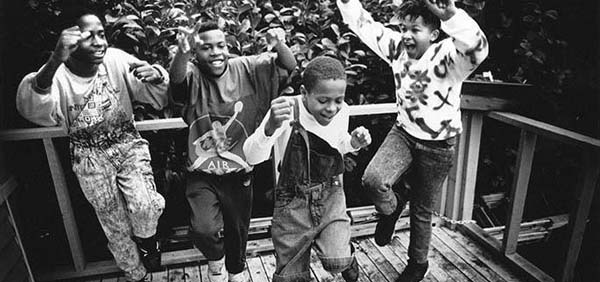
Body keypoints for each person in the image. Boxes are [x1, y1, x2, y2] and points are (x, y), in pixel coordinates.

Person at [337, 0, 489, 281]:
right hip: (404, 133)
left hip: (439, 145)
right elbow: (365, 26)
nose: (406, 34)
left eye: (414, 29)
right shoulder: (397, 48)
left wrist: (452, 16)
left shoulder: (449, 57)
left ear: (433, 33)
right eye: (403, 28)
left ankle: (417, 264)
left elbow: (478, 48)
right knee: (373, 179)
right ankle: (392, 209)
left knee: (422, 208)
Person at [16, 7, 169, 282]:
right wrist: (54, 59)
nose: (99, 42)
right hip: (89, 156)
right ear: (70, 40)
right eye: (90, 36)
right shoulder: (57, 74)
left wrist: (156, 73)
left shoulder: (116, 59)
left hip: (127, 143)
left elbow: (156, 91)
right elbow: (31, 107)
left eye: (102, 34)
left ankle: (148, 242)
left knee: (146, 206)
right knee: (116, 227)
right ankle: (137, 275)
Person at [169, 21, 296, 282]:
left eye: (221, 45)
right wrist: (181, 52)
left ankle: (236, 272)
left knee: (238, 231)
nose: (215, 52)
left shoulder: (247, 68)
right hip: (202, 173)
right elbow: (176, 80)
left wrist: (280, 43)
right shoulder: (193, 74)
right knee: (203, 229)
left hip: (239, 172)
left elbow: (288, 65)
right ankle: (216, 263)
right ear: (196, 52)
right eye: (206, 48)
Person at [243, 56, 372, 282]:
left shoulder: (343, 111)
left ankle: (347, 256)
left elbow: (338, 144)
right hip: (292, 202)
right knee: (291, 278)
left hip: (331, 195)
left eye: (338, 100)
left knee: (337, 262)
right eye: (323, 100)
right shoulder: (285, 109)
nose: (332, 108)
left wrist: (353, 142)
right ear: (304, 93)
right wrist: (270, 127)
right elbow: (251, 156)